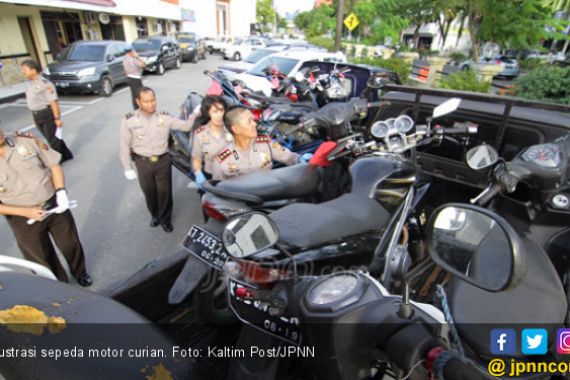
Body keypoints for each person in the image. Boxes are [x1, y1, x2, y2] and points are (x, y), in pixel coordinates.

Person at [0, 128, 91, 286]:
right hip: (23, 218)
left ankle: (80, 272)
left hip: (54, 204)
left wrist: (61, 191)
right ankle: (60, 286)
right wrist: (25, 211)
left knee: (70, 243)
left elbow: (54, 165)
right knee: (41, 257)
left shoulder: (25, 141)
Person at [119, 87, 195, 233]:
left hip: (163, 160)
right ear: (138, 102)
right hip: (143, 162)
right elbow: (124, 145)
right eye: (146, 101)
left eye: (153, 100)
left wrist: (195, 113)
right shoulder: (129, 120)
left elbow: (185, 127)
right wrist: (127, 167)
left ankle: (165, 219)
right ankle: (155, 215)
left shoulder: (164, 117)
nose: (151, 104)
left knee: (165, 192)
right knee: (149, 192)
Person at [211, 106, 311, 181]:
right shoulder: (222, 160)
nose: (255, 124)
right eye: (249, 121)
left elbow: (289, 157)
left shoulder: (266, 143)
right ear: (236, 129)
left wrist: (300, 159)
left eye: (253, 120)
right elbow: (219, 189)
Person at [21, 59, 73, 163]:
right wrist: (34, 116)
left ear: (34, 70)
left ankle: (57, 160)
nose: (23, 72)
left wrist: (57, 118)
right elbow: (32, 102)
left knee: (52, 139)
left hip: (46, 114)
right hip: (37, 114)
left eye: (25, 69)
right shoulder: (30, 83)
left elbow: (53, 102)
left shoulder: (45, 83)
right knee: (52, 137)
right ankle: (66, 154)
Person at [191, 95, 233, 187]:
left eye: (222, 110)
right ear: (208, 113)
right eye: (215, 112)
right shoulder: (200, 134)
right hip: (212, 177)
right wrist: (198, 174)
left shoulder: (233, 128)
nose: (220, 115)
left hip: (234, 176)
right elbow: (197, 158)